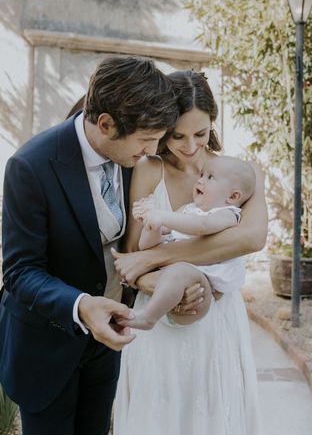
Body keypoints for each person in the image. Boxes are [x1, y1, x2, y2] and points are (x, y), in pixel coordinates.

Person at [0, 56, 196, 435]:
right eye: (146, 139)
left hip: (104, 348)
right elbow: (21, 273)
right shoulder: (30, 166)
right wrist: (82, 306)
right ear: (106, 124)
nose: (152, 151)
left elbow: (130, 246)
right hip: (45, 347)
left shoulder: (134, 160)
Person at [113, 70, 267, 435]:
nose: (190, 145)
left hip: (219, 319)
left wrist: (155, 259)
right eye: (178, 135)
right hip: (163, 318)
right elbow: (133, 256)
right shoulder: (150, 169)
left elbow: (251, 239)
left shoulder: (240, 175)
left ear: (213, 123)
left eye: (200, 133)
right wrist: (171, 288)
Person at [125, 155, 256, 330]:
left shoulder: (228, 214)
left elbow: (202, 227)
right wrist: (150, 222)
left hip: (204, 290)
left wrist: (161, 216)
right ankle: (154, 314)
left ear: (233, 196)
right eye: (202, 175)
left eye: (210, 177)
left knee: (180, 271)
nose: (200, 180)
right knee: (177, 273)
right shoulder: (188, 210)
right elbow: (146, 246)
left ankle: (148, 317)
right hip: (174, 288)